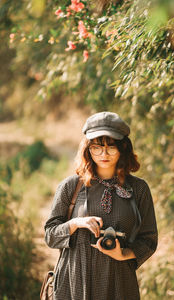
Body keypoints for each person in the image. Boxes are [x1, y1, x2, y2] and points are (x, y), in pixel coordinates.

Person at [44, 111, 158, 300]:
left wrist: (123, 254)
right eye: (97, 147)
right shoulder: (71, 186)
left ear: (123, 148)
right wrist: (76, 223)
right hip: (74, 283)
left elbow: (149, 240)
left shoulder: (139, 189)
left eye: (111, 147)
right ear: (88, 149)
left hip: (119, 283)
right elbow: (50, 235)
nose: (104, 154)